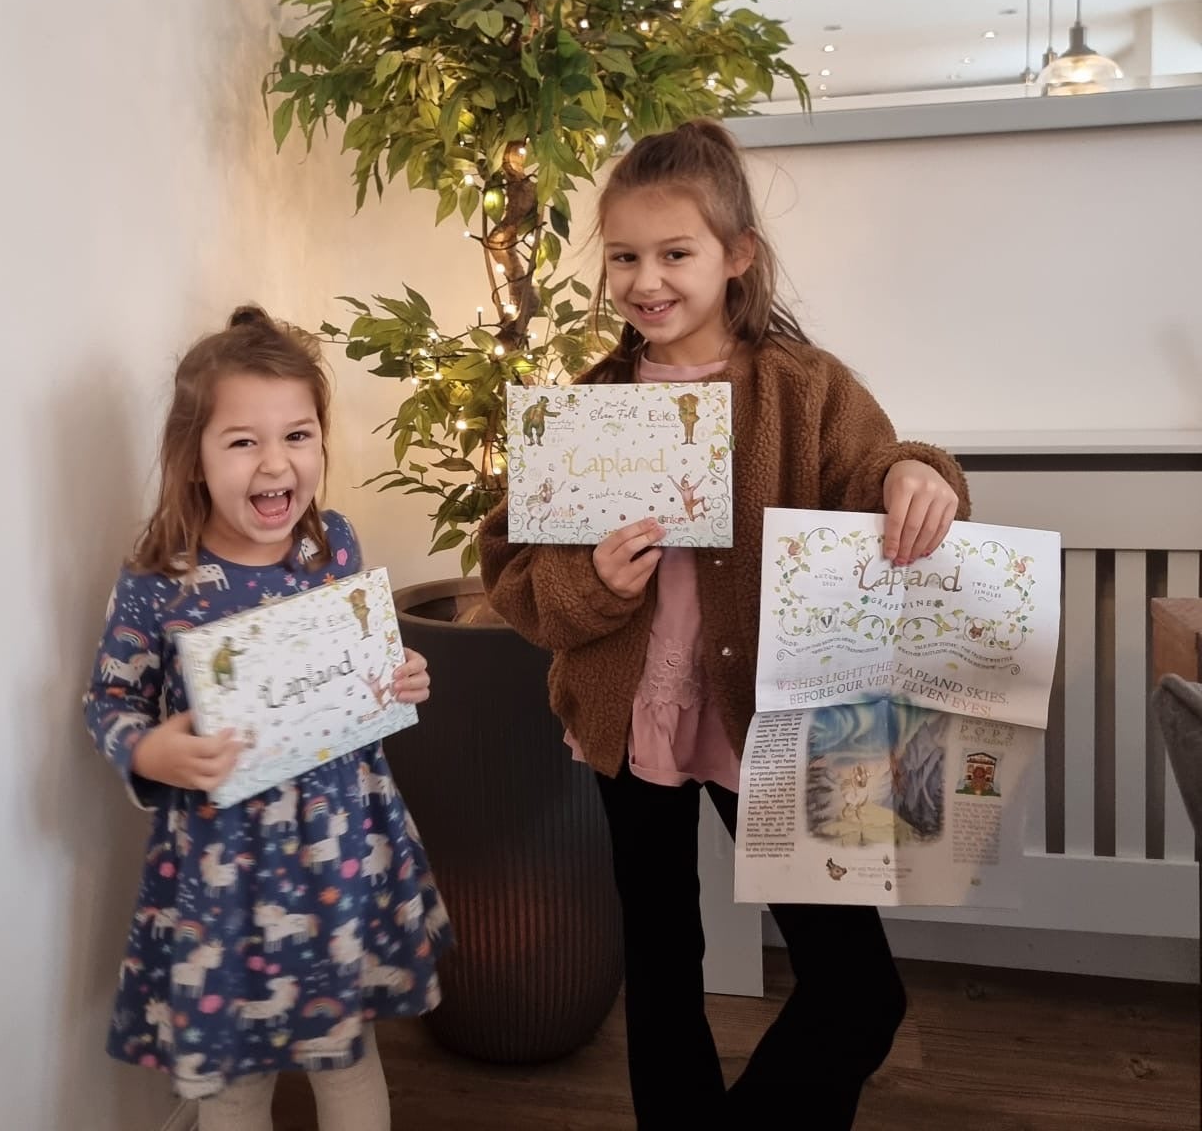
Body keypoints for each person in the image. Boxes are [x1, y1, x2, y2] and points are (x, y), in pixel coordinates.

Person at [478, 120, 969, 1129]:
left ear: (735, 255)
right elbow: (515, 572)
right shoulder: (591, 403)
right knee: (660, 968)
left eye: (673, 253)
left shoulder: (801, 386)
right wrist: (594, 583)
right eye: (622, 255)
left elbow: (879, 467)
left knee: (854, 989)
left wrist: (921, 470)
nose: (644, 280)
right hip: (631, 723)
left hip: (779, 722)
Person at [84, 306, 448, 1130]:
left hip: (339, 856)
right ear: (194, 459)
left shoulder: (338, 547)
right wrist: (149, 754)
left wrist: (401, 678)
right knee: (233, 1081)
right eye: (243, 441)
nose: (275, 462)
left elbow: (359, 680)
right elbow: (108, 704)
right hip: (222, 875)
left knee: (348, 1058)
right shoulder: (158, 582)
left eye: (299, 435)